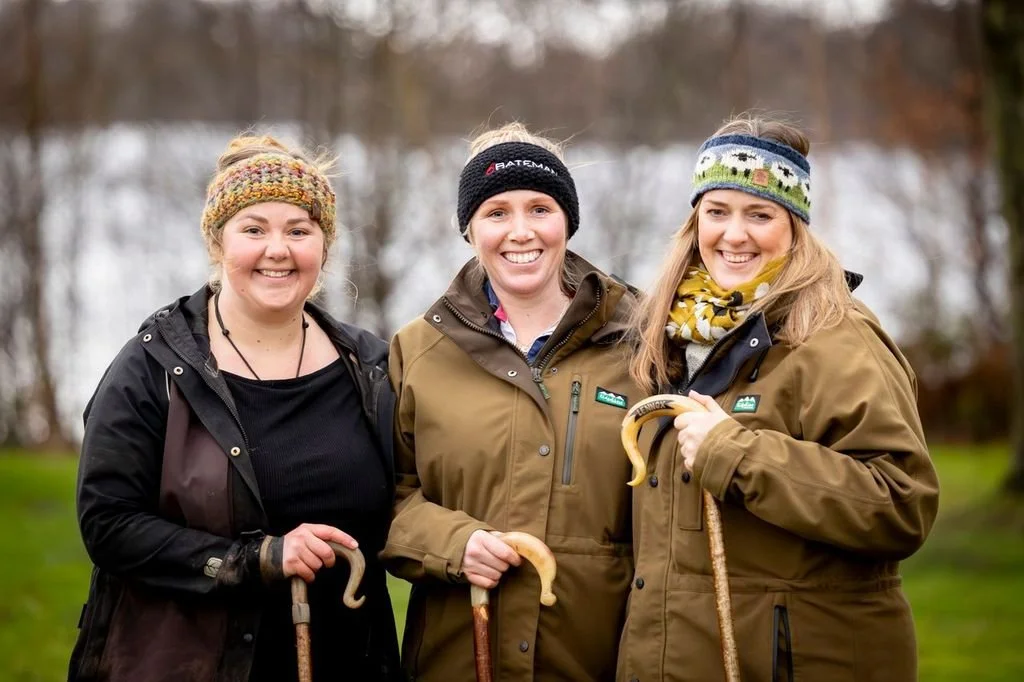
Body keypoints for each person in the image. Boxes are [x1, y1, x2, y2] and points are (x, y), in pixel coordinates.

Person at [616, 115, 940, 682]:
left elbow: (901, 504)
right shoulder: (669, 337)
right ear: (695, 222)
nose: (733, 234)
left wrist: (737, 455)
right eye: (716, 212)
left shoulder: (836, 339)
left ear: (794, 226)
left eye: (759, 214)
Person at [69, 134, 401, 682]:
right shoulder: (154, 366)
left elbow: (411, 500)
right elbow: (108, 524)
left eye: (299, 230)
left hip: (353, 660)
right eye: (253, 230)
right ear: (218, 245)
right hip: (190, 664)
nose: (278, 249)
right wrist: (258, 559)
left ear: (324, 245)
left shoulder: (369, 365)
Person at [381, 122, 640, 681]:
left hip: (598, 660)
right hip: (456, 660)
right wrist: (453, 544)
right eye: (496, 212)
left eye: (540, 209)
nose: (520, 232)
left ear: (568, 220)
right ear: (469, 228)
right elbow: (386, 500)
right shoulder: (418, 351)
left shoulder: (640, 345)